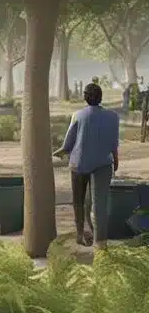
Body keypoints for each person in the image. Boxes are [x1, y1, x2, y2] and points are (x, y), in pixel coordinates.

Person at [54, 83, 121, 248]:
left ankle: (80, 235)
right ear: (101, 97)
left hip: (79, 163)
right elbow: (114, 143)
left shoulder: (78, 115)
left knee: (78, 201)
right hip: (104, 164)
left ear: (85, 97)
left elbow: (68, 144)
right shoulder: (113, 117)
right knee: (100, 203)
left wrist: (58, 152)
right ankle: (101, 242)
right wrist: (116, 160)